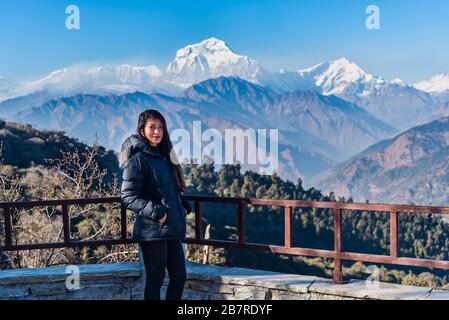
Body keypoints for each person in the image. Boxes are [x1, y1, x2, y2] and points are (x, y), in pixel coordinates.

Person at [119, 109, 192, 300]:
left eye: (160, 127)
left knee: (179, 277)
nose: (157, 131)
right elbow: (128, 196)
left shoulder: (164, 155)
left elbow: (165, 188)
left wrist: (181, 203)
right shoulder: (137, 159)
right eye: (152, 127)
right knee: (155, 279)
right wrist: (159, 213)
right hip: (152, 231)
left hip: (171, 228)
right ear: (142, 130)